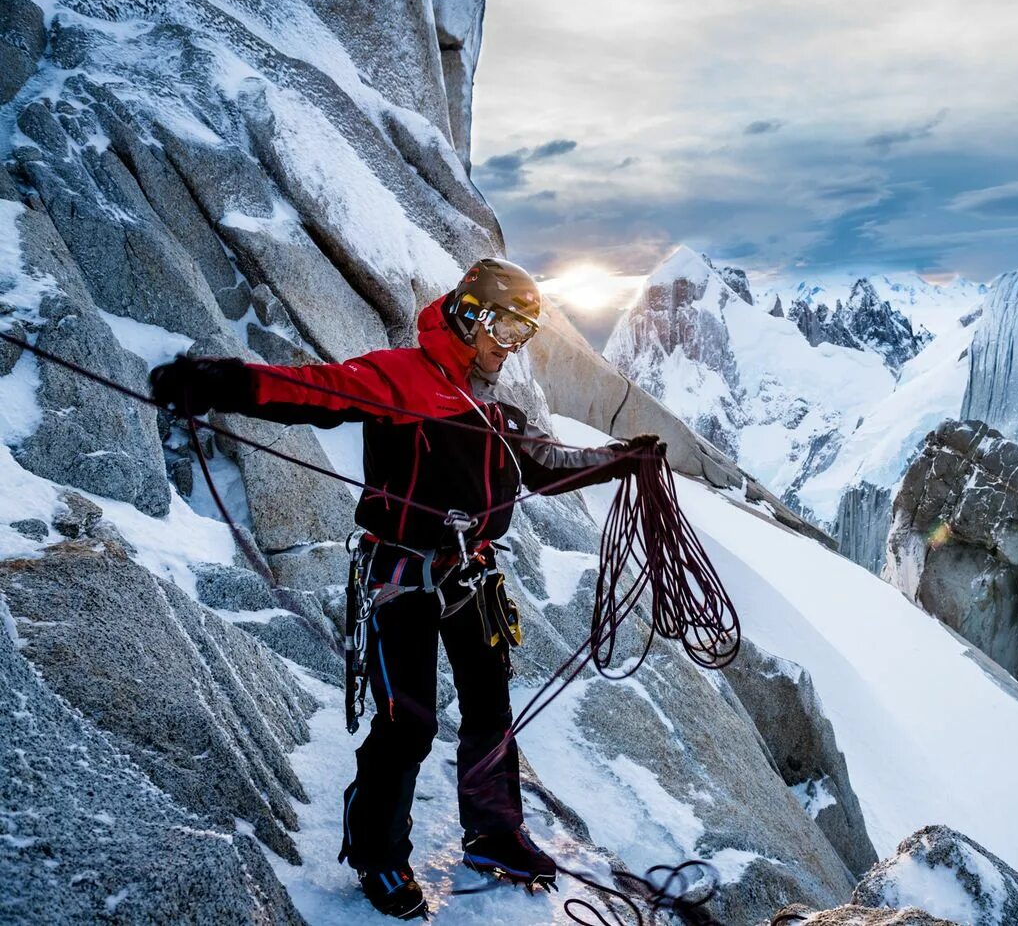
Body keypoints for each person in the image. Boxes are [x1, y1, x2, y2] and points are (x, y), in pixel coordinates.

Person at [150, 259, 658, 920]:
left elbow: (543, 465)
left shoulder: (490, 403)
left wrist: (625, 457)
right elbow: (313, 390)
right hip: (401, 575)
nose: (510, 344)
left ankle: (495, 833)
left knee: (489, 708)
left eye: (522, 334)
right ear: (472, 314)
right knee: (407, 719)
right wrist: (214, 382)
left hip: (470, 573)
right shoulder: (399, 377)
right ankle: (378, 856)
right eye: (505, 326)